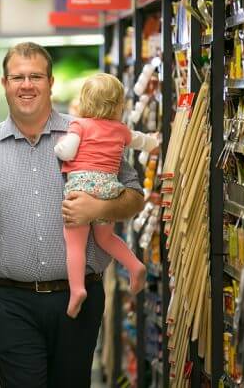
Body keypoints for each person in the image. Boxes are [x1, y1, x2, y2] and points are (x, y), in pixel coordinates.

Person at [0, 42, 144, 388]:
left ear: (51, 82)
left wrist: (101, 208)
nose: (26, 85)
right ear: (5, 84)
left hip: (79, 300)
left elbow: (135, 195)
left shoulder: (88, 131)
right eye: (18, 77)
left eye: (35, 76)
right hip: (13, 303)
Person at [54, 73, 159, 318]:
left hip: (82, 187)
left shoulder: (79, 125)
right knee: (106, 238)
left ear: (84, 102)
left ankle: (77, 290)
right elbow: (142, 142)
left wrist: (59, 146)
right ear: (118, 105)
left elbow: (67, 152)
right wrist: (154, 142)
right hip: (109, 189)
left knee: (75, 244)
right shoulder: (120, 130)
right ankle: (135, 265)